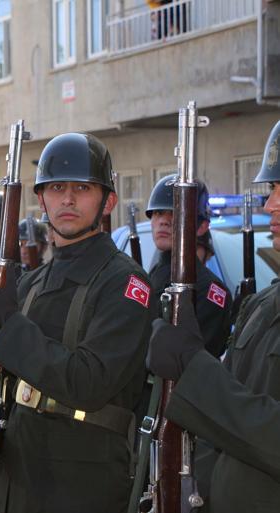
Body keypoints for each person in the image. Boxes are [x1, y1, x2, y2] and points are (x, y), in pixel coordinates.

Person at [0, 133, 153, 513]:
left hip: (82, 478)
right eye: (56, 188)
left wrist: (10, 324)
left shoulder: (125, 283)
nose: (67, 199)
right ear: (41, 199)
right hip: (21, 468)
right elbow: (5, 378)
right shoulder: (33, 281)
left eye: (83, 188)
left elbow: (87, 382)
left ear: (108, 202)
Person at [146, 120, 280, 513]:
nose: (270, 204)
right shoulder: (262, 305)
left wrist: (193, 367)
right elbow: (216, 433)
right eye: (272, 189)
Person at [146, 175, 232, 358]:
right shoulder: (152, 274)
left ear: (201, 227)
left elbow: (198, 361)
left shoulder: (210, 290)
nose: (164, 221)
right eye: (158, 213)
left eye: (175, 213)